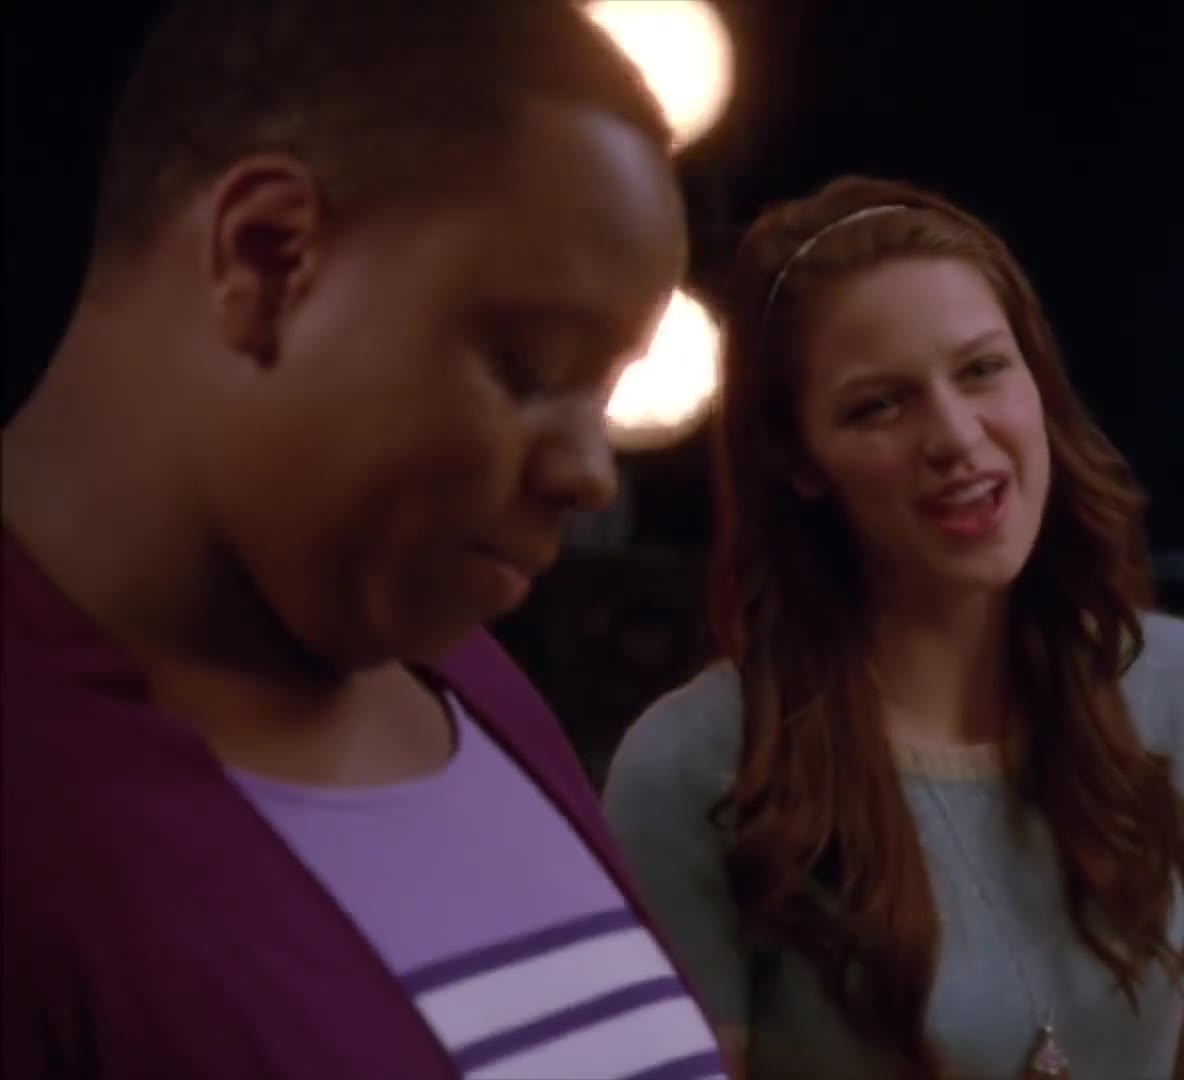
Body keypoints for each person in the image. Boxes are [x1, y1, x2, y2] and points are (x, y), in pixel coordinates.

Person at [0, 3, 725, 1078]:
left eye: (606, 394)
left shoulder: (469, 686)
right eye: (529, 366)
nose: (590, 474)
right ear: (267, 256)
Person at [603, 176, 1184, 1079]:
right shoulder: (695, 768)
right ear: (800, 461)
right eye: (880, 405)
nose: (958, 438)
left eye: (981, 370)